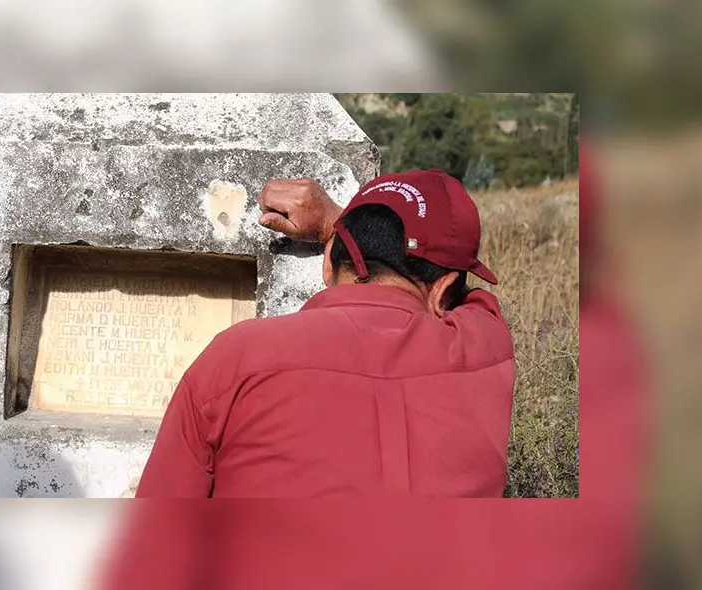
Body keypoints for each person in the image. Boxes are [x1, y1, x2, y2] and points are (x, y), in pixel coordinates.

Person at [135, 169, 515, 497]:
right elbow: (477, 302)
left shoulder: (236, 357)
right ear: (445, 289)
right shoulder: (486, 350)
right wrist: (338, 223)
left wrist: (344, 231)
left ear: (328, 266)